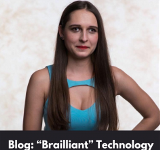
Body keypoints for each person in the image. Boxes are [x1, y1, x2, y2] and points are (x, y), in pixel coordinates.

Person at [23, 1, 160, 130]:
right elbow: (28, 146)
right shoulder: (42, 80)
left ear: (99, 35)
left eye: (92, 30)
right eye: (75, 29)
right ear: (61, 32)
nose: (84, 38)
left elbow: (154, 116)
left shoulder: (113, 77)